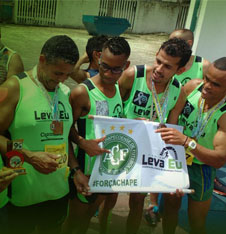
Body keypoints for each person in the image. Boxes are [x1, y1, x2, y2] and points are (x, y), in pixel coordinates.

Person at [0, 35, 80, 234]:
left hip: (58, 193)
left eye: (67, 75)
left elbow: (63, 137)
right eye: (57, 73)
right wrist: (29, 156)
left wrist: (76, 168)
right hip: (21, 195)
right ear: (42, 60)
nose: (61, 80)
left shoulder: (64, 92)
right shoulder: (14, 87)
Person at [118, 37, 192, 234]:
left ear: (180, 70)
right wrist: (133, 125)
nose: (159, 69)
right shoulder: (133, 75)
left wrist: (174, 170)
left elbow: (173, 128)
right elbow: (114, 111)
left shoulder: (179, 91)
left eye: (167, 66)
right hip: (130, 147)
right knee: (135, 200)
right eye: (158, 61)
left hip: (156, 152)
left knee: (173, 199)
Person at [62, 36, 131, 234]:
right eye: (104, 66)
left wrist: (135, 126)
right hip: (86, 171)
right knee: (73, 221)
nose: (109, 74)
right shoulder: (83, 92)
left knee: (86, 219)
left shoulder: (118, 88)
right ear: (98, 58)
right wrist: (81, 146)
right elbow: (65, 131)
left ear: (125, 65)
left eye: (116, 69)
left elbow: (115, 122)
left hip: (107, 172)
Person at [156, 57, 226, 234]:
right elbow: (171, 115)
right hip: (176, 158)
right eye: (206, 78)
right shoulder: (193, 87)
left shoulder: (224, 115)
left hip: (201, 168)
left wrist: (187, 142)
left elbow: (218, 160)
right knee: (170, 208)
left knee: (196, 220)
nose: (207, 86)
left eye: (215, 84)